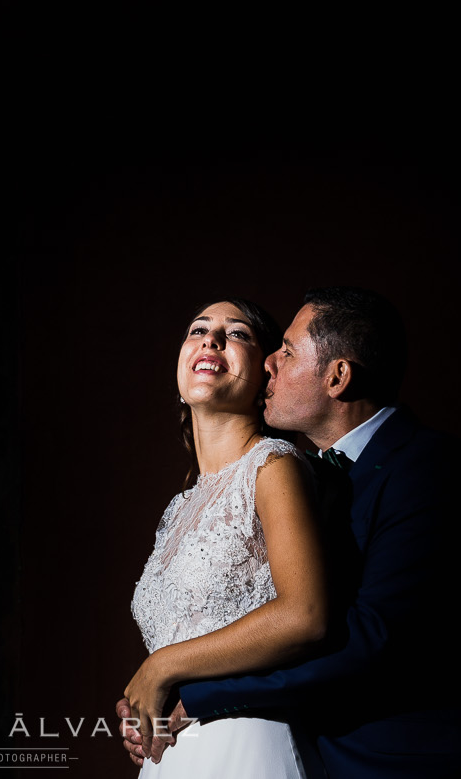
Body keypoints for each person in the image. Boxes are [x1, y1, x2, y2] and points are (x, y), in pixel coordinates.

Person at [124, 287, 461, 779]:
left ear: (338, 376)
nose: (271, 363)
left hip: (421, 763)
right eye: (198, 331)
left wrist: (189, 686)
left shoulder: (428, 468)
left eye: (286, 352)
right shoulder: (315, 477)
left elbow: (370, 638)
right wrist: (153, 707)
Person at [120, 299, 331, 776]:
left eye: (237, 334)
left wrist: (162, 666)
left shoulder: (273, 467)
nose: (211, 340)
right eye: (198, 329)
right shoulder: (179, 506)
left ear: (266, 377)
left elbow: (306, 614)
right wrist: (145, 707)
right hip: (176, 754)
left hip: (248, 744)